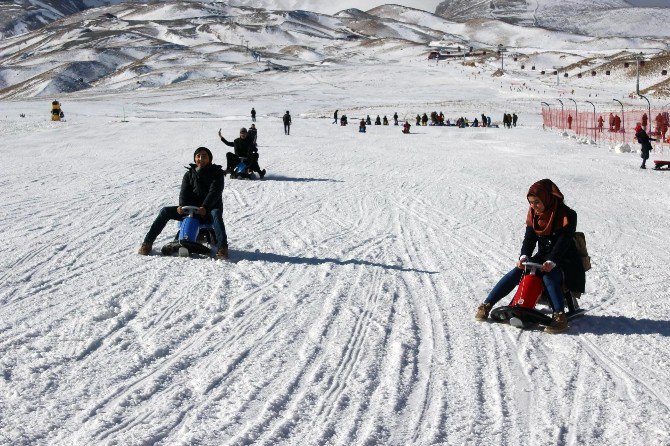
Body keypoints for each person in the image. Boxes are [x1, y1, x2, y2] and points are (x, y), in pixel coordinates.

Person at [474, 179, 585, 333]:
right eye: (531, 202)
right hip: (543, 256)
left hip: (566, 260)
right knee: (518, 270)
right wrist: (524, 256)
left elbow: (564, 242)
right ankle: (486, 305)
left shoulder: (568, 215)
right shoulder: (534, 214)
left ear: (547, 198)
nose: (533, 206)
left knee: (548, 276)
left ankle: (560, 318)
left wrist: (552, 261)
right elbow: (530, 238)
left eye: (537, 202)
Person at [138, 147, 229, 259]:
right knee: (165, 211)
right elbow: (184, 192)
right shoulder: (189, 174)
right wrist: (182, 205)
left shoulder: (217, 173)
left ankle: (222, 248)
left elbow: (215, 191)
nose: (201, 158)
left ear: (210, 159)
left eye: (204, 156)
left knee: (216, 214)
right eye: (198, 156)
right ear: (195, 158)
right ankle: (147, 243)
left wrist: (205, 207)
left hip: (208, 211)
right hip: (191, 209)